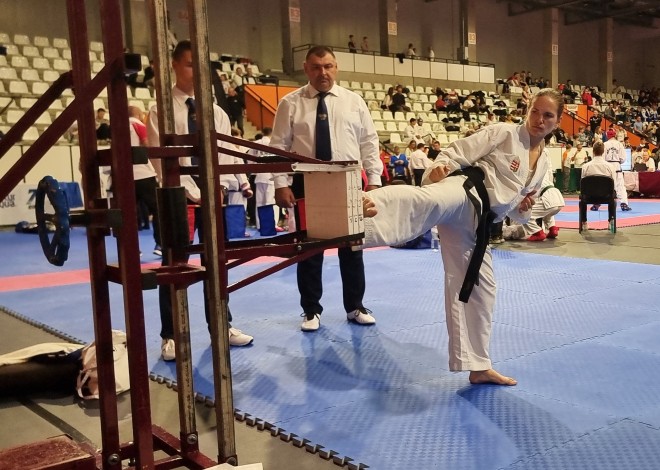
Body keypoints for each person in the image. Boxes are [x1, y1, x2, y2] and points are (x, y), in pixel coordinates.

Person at [360, 88, 566, 386]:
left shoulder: (544, 162)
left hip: (478, 223)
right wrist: (438, 169)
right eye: (535, 111)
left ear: (557, 121)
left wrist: (522, 208)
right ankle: (360, 212)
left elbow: (516, 203)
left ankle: (477, 366)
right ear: (528, 110)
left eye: (547, 115)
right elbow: (456, 152)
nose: (539, 119)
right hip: (463, 191)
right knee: (428, 202)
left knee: (482, 288)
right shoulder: (503, 132)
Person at [146, 40, 253, 361]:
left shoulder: (215, 112)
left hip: (212, 196)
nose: (196, 72)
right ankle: (170, 334)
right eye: (190, 64)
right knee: (173, 266)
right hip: (176, 197)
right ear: (175, 66)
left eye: (201, 66)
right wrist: (194, 192)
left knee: (215, 264)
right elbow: (160, 160)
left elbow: (223, 156)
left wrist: (222, 187)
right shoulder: (161, 110)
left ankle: (222, 325)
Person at [269, 45, 383, 332]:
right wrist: (281, 183)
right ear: (306, 69)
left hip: (348, 180)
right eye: (317, 67)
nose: (323, 72)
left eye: (328, 66)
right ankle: (311, 310)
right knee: (309, 250)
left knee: (352, 248)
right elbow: (278, 146)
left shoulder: (354, 101)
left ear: (336, 67)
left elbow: (369, 143)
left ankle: (355, 306)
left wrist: (375, 180)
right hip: (307, 181)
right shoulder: (290, 103)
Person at [127, 105, 161, 251]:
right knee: (157, 209)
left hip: (126, 176)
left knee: (128, 213)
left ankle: (131, 248)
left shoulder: (118, 128)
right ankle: (160, 243)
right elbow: (147, 145)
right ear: (139, 114)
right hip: (144, 174)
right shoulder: (138, 125)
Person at [503, 165, 565, 241]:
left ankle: (537, 233)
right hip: (558, 197)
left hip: (547, 196)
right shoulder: (542, 174)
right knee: (547, 212)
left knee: (524, 215)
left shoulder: (529, 178)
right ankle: (553, 228)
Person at [581, 141, 617, 220]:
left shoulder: (585, 166)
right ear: (603, 152)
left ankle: (584, 222)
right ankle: (611, 222)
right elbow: (614, 184)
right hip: (606, 196)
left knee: (582, 198)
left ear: (593, 151)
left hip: (589, 196)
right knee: (613, 197)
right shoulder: (610, 166)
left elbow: (582, 184)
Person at [603, 132, 632, 211]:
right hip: (617, 166)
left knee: (604, 185)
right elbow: (623, 158)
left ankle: (597, 203)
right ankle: (624, 204)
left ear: (607, 136)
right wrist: (618, 161)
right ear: (615, 135)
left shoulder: (604, 144)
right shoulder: (619, 144)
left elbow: (602, 157)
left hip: (607, 166)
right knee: (620, 186)